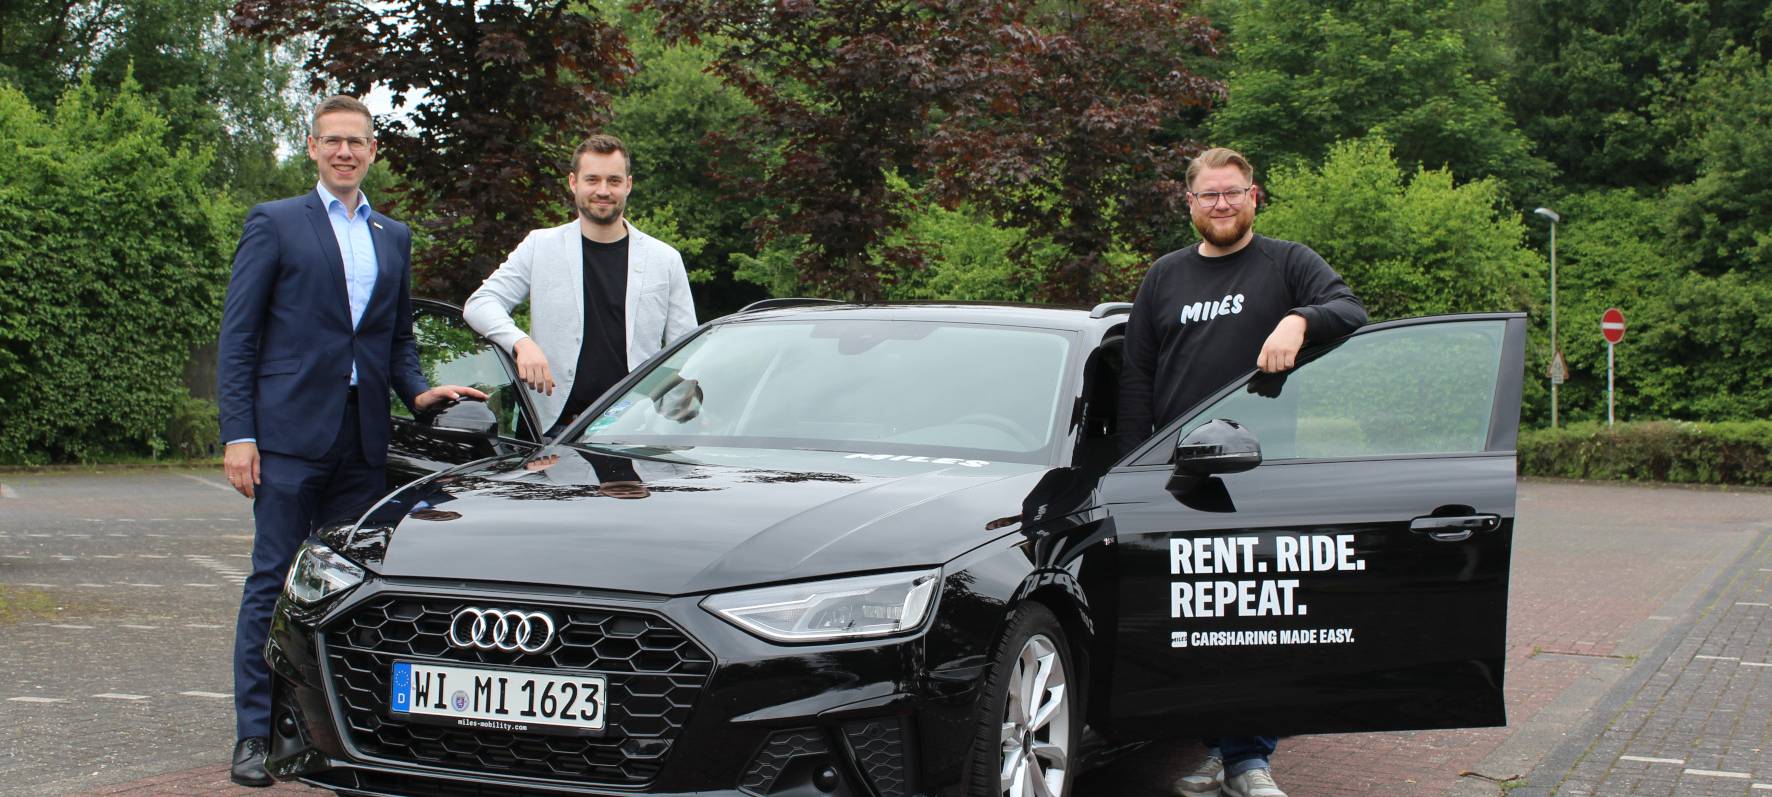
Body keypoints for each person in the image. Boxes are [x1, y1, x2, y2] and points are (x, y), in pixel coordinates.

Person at [216, 95, 485, 787]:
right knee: (272, 579)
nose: (344, 151)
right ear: (311, 147)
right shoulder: (275, 223)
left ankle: (335, 731)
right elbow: (239, 338)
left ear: (372, 151)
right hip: (286, 437)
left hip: (363, 442)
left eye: (356, 142)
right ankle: (255, 733)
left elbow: (394, 339)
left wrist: (421, 392)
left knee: (347, 589)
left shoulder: (392, 235)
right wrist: (239, 434)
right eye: (331, 140)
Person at [1118, 147, 1367, 797]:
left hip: (1263, 471)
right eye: (1209, 195)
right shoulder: (1163, 278)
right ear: (1189, 203)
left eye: (1233, 193)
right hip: (1182, 480)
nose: (1222, 204)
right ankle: (1229, 754)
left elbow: (1350, 310)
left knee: (1252, 618)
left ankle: (1246, 759)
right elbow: (1137, 377)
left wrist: (1299, 317)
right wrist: (1132, 467)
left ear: (1255, 197)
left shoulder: (1288, 264)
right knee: (1194, 622)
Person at [464, 134, 697, 436]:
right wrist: (521, 344)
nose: (603, 190)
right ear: (573, 183)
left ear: (628, 184)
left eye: (613, 181)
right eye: (592, 180)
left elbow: (687, 351)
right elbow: (480, 304)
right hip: (549, 433)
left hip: (634, 435)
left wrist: (681, 417)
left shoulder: (665, 259)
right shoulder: (540, 245)